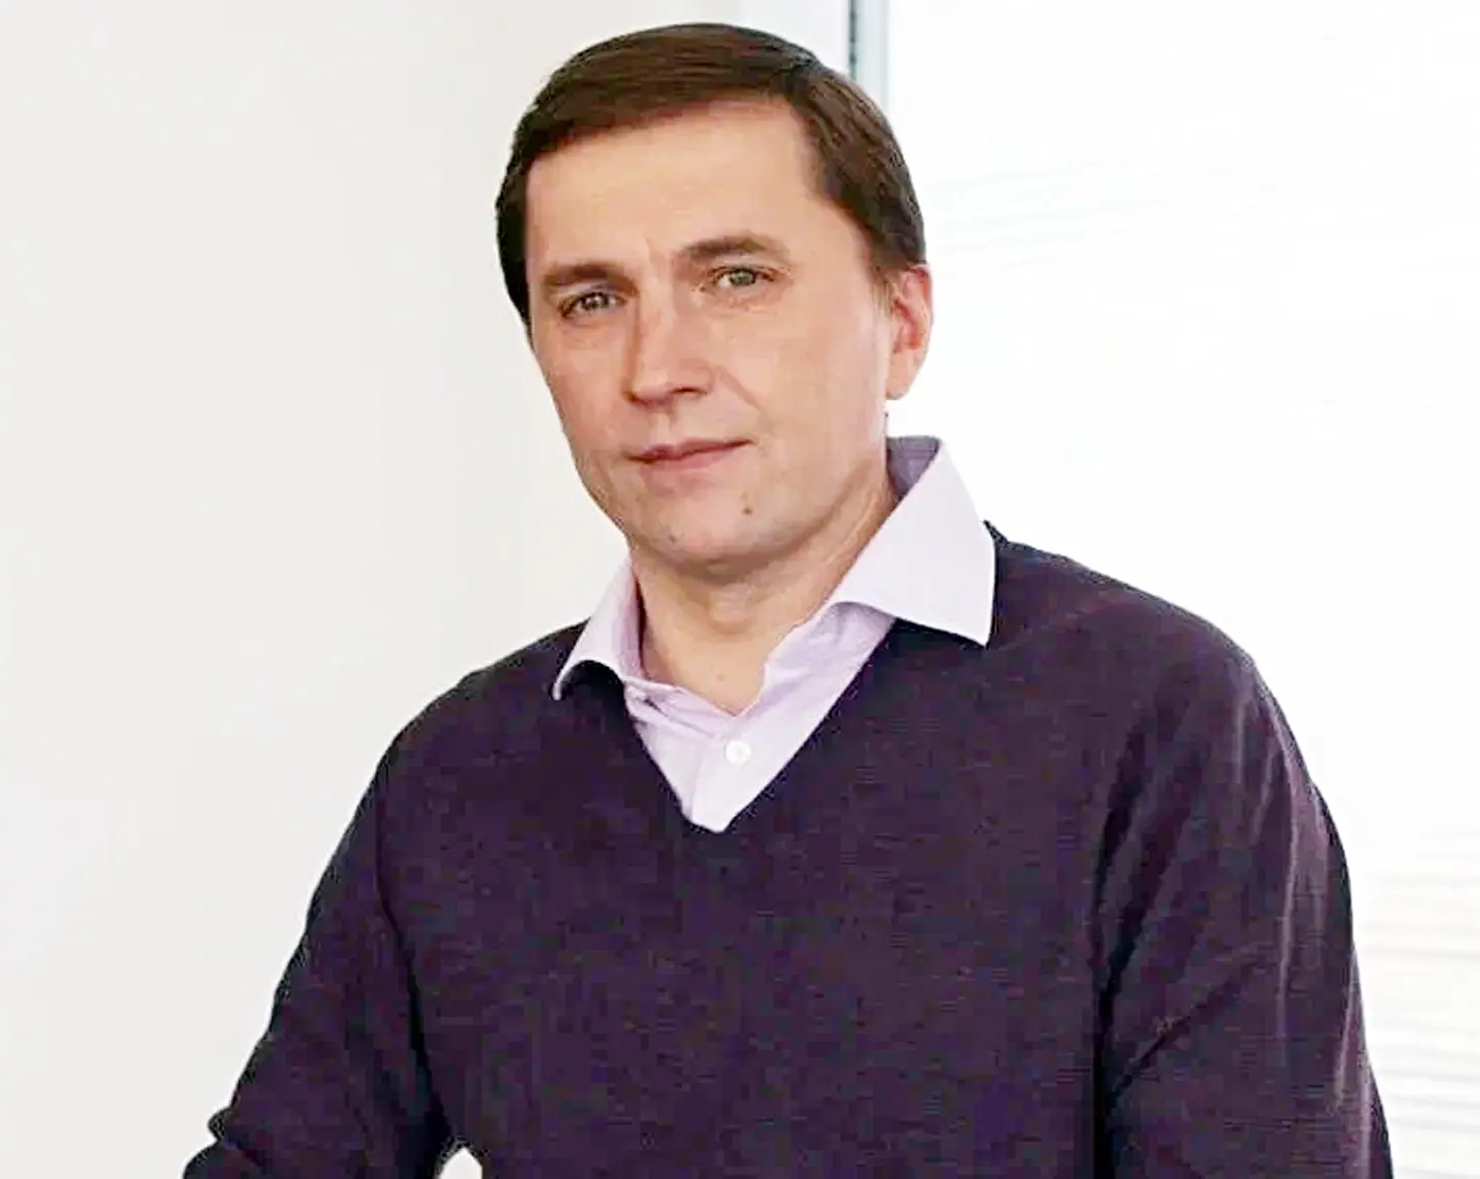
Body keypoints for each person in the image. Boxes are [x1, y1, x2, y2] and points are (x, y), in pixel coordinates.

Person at [184, 22, 1392, 1177]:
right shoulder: (457, 775)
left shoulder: (1161, 723)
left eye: (737, 278)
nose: (659, 369)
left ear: (902, 323)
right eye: (592, 299)